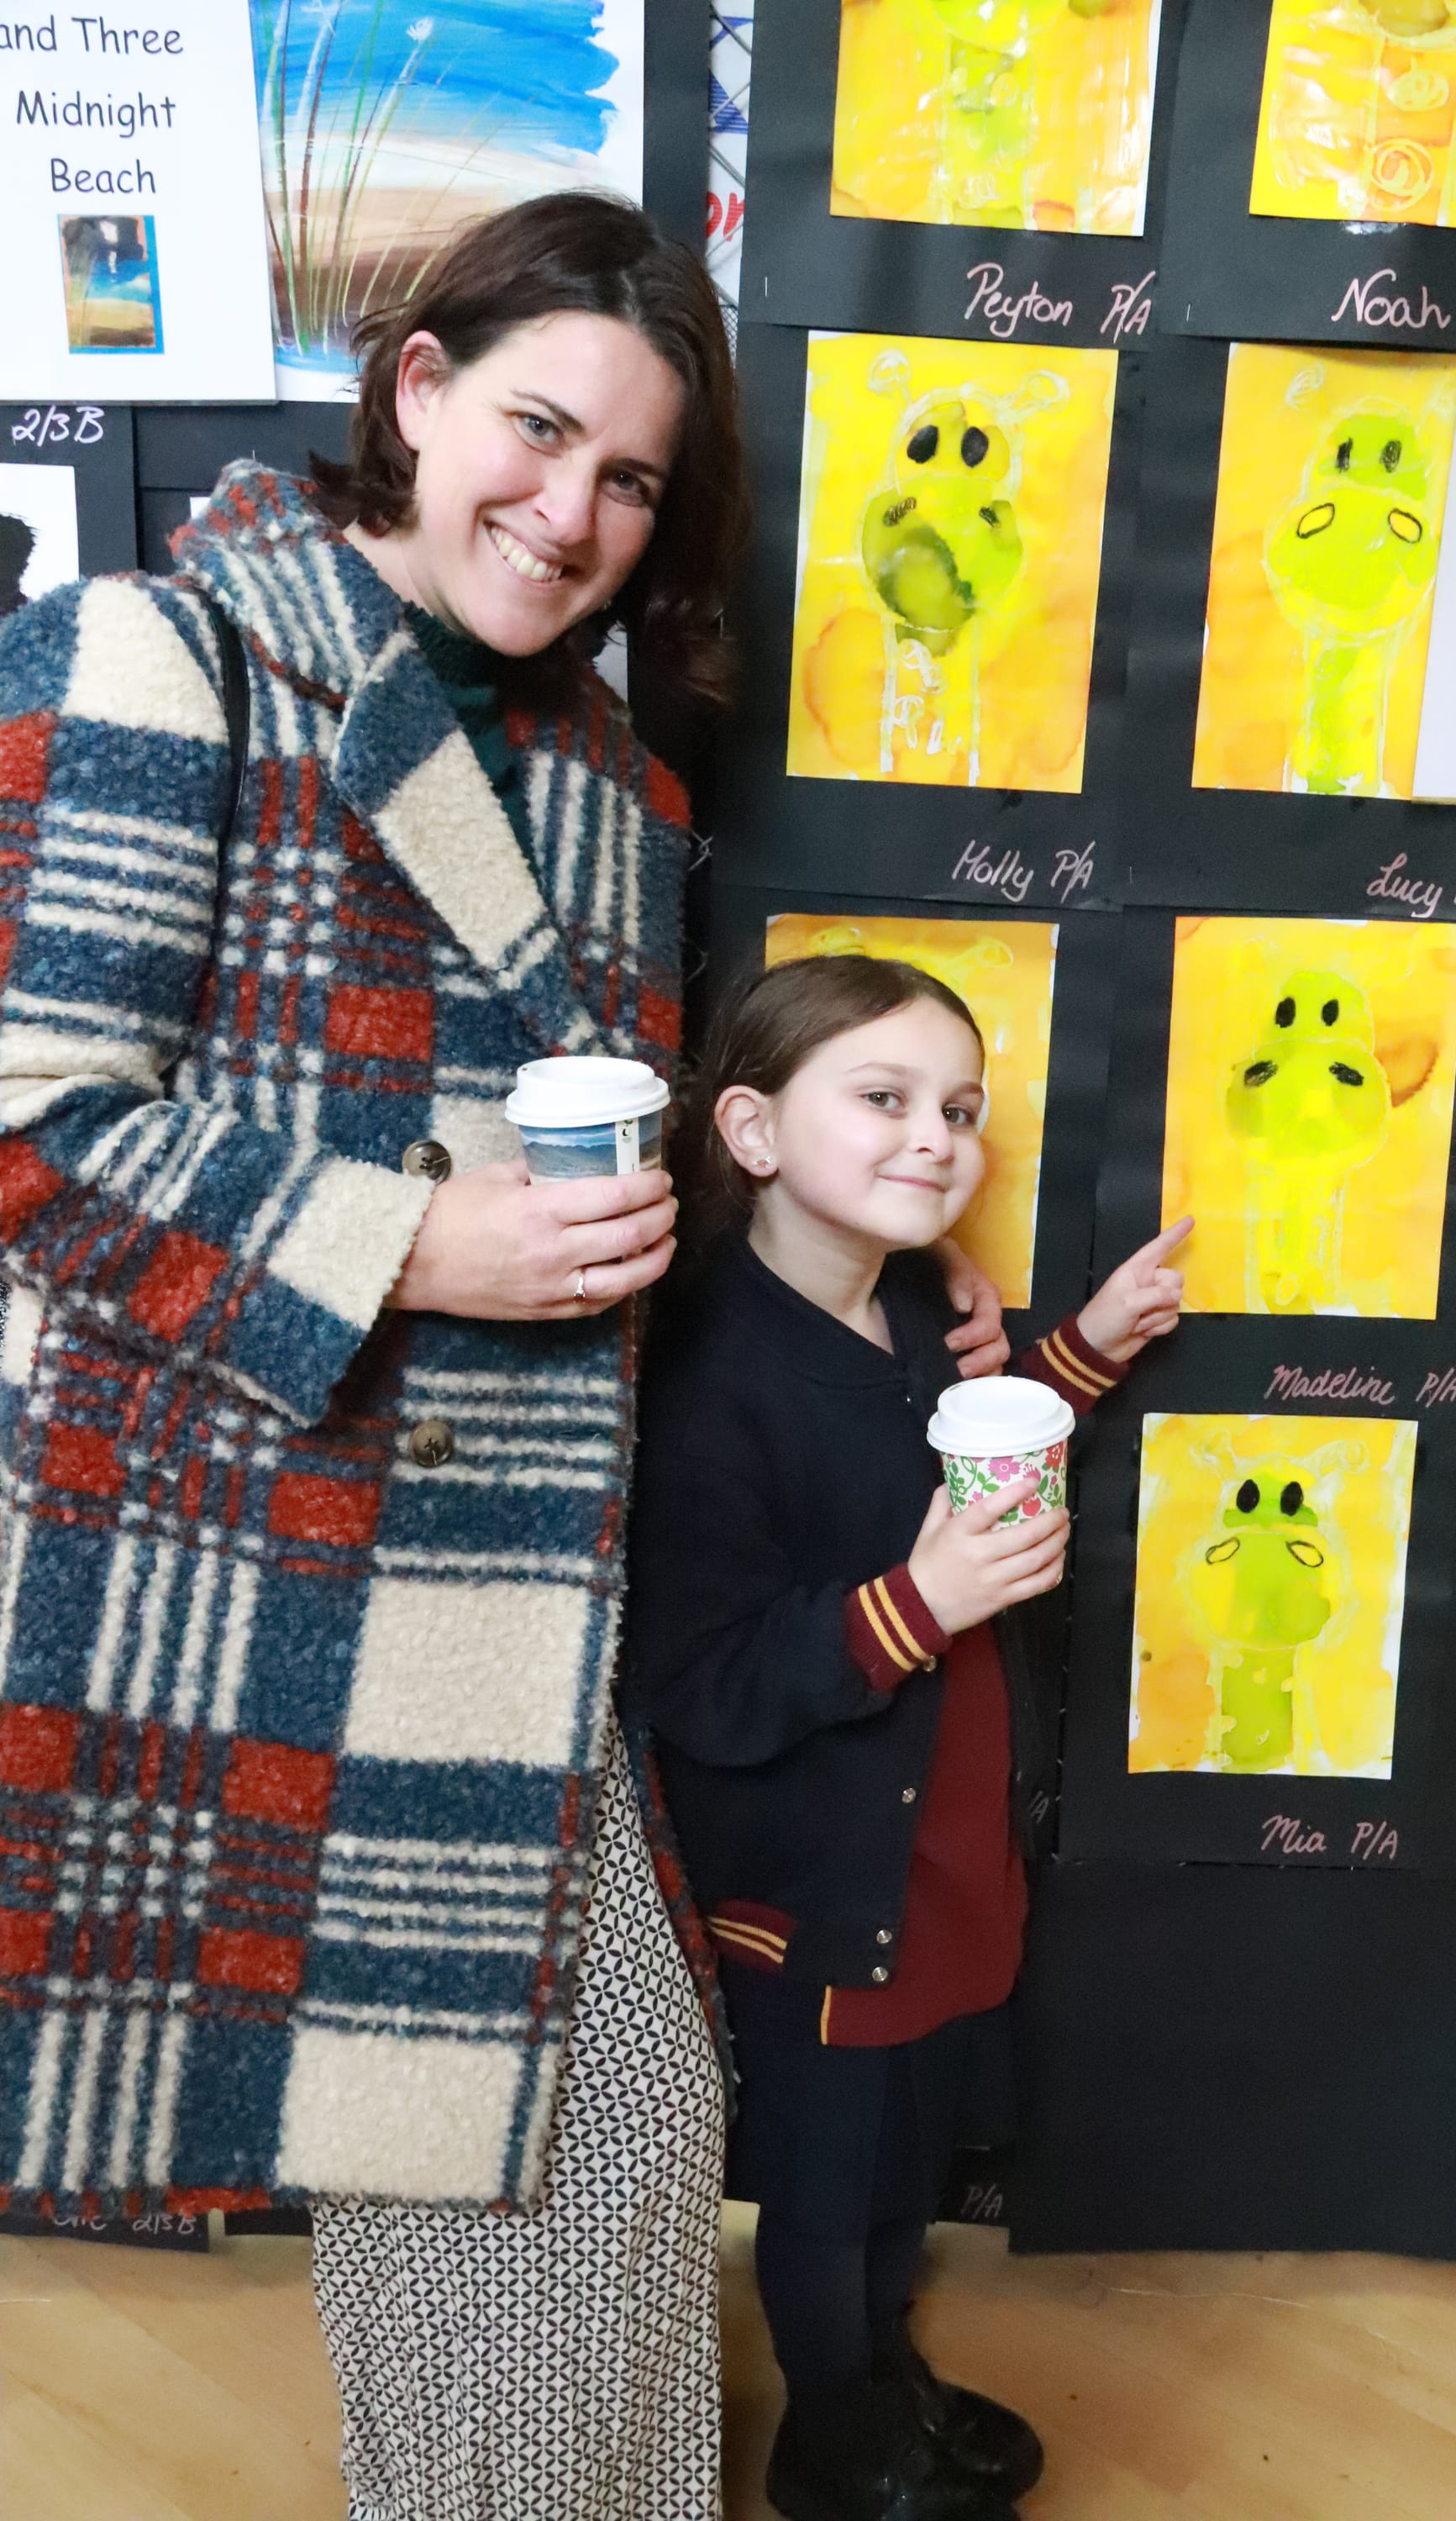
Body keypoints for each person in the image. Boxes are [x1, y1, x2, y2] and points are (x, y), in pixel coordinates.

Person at [0, 189, 994, 2517]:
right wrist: (410, 1241)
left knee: (616, 2142)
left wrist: (871, 1279)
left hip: (547, 1588)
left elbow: (614, 1210)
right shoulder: (161, 654)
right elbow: (36, 1132)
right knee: (511, 2180)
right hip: (269, 1566)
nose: (573, 513)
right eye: (538, 430)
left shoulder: (620, 791)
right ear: (418, 390)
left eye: (632, 477)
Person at [628, 955, 1190, 2521]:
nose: (935, 1137)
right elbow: (706, 1684)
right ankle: (834, 2432)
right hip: (823, 1876)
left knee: (904, 2157)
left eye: (959, 1107)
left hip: (941, 1844)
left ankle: (884, 2374)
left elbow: (971, 1455)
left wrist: (1088, 1349)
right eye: (884, 1098)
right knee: (830, 2179)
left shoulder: (912, 1308)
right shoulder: (711, 1375)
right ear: (751, 1130)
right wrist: (920, 1601)